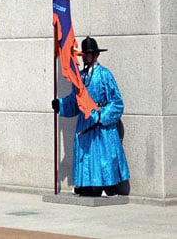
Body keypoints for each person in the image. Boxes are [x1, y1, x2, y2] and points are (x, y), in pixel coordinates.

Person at [52, 36, 130, 196]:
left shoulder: (105, 75)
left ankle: (109, 185)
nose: (86, 57)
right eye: (85, 54)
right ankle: (85, 184)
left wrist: (102, 117)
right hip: (85, 122)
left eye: (89, 54)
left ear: (96, 55)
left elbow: (117, 102)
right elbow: (74, 101)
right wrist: (60, 104)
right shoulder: (80, 77)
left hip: (101, 123)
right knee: (85, 154)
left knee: (104, 154)